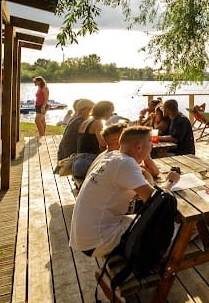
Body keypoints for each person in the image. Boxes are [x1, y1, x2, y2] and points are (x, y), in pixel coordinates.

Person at [69, 126, 180, 258]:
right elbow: (156, 203)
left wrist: (148, 180)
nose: (152, 145)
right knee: (175, 227)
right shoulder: (125, 164)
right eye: (150, 142)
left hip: (85, 236)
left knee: (150, 221)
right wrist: (170, 182)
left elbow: (145, 180)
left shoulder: (112, 156)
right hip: (98, 241)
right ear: (139, 147)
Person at [73, 100, 115, 179]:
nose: (111, 114)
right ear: (105, 111)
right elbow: (103, 144)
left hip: (77, 163)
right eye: (111, 111)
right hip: (87, 163)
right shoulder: (98, 123)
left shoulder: (86, 121)